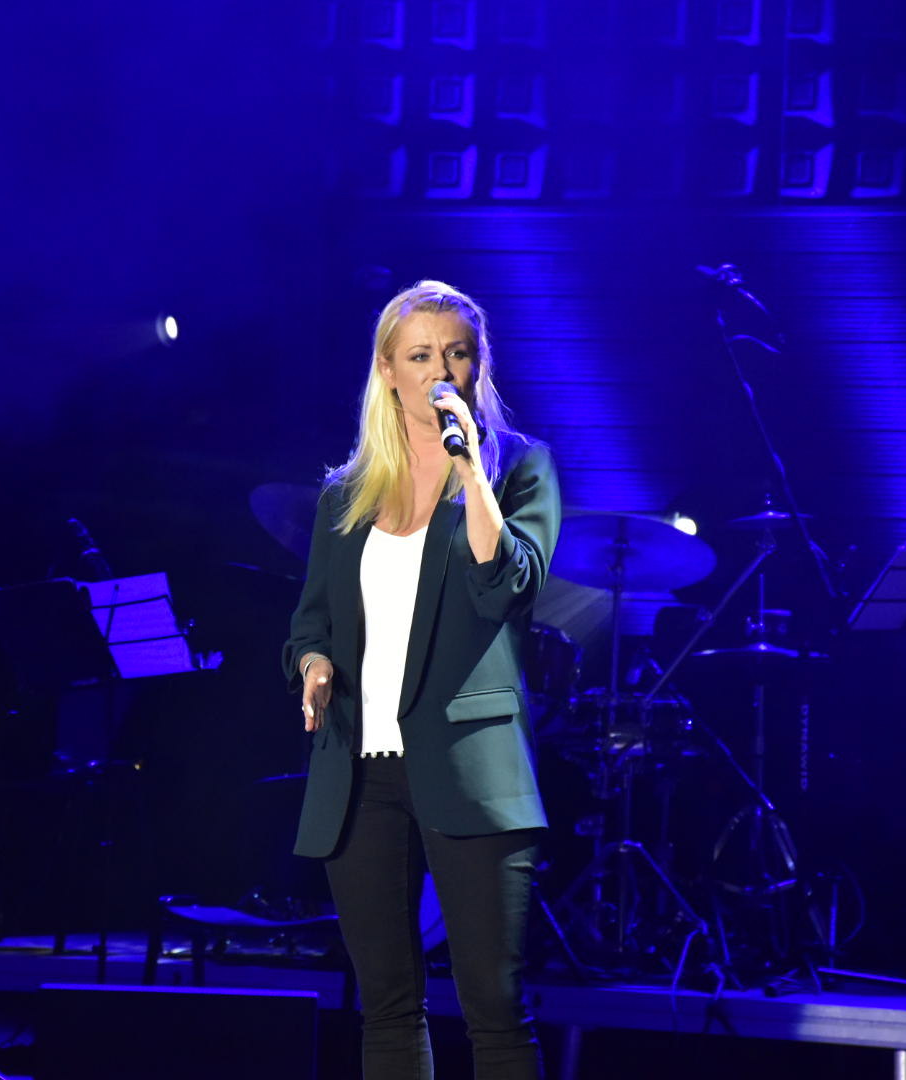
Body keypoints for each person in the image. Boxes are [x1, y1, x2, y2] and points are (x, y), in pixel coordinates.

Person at [282, 280, 560, 1079]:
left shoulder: (520, 468)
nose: (441, 371)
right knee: (387, 1008)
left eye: (457, 354)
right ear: (387, 369)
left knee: (494, 1007)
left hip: (472, 767)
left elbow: (507, 586)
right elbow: (309, 624)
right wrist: (314, 665)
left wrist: (471, 474)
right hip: (360, 772)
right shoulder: (346, 494)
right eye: (421, 355)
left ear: (478, 365)